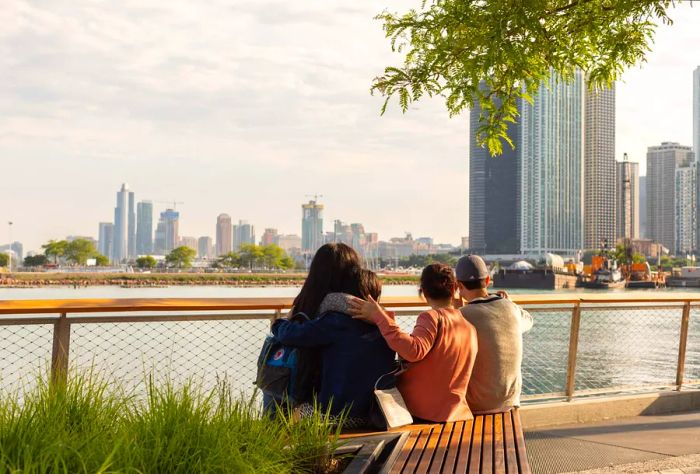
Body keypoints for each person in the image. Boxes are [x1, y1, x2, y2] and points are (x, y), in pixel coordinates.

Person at [271, 260, 395, 428]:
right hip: (377, 413)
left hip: (336, 415)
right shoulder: (386, 326)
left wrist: (279, 323)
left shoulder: (336, 322)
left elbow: (292, 335)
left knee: (289, 417)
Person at [349, 263, 478, 423]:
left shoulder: (432, 317)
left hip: (424, 413)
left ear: (423, 292)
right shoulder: (469, 327)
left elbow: (413, 351)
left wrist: (379, 316)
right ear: (454, 289)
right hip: (457, 413)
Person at [455, 255, 533, 414]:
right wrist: (509, 302)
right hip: (511, 403)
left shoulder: (461, 316)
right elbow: (529, 321)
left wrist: (455, 309)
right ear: (488, 280)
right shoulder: (511, 308)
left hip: (476, 406)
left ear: (458, 285)